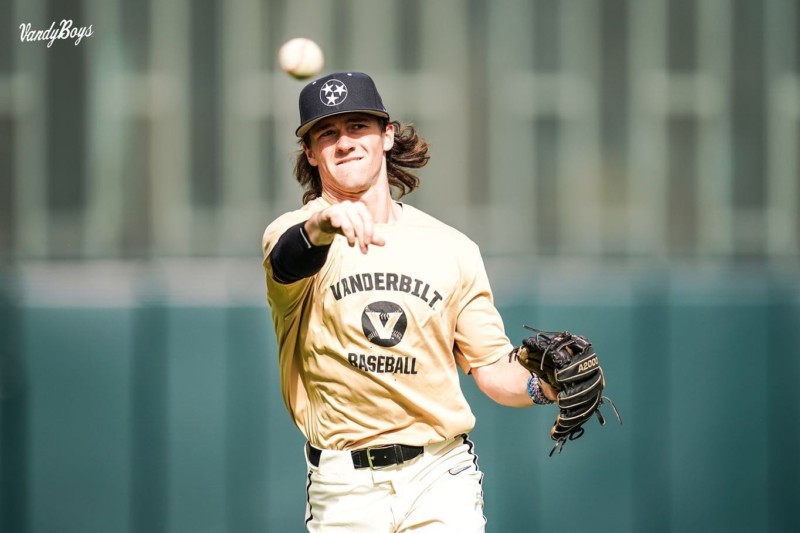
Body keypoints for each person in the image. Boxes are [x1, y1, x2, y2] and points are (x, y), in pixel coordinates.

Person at [261, 71, 557, 532]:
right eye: (327, 133)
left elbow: (494, 370)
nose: (345, 142)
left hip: (440, 474)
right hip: (344, 487)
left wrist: (545, 386)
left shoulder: (451, 247)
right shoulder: (294, 232)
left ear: (387, 135)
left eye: (358, 126)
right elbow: (288, 260)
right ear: (310, 152)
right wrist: (325, 224)